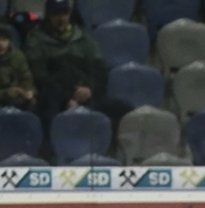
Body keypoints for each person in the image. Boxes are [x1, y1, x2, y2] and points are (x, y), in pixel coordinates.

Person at [24, 0, 129, 135]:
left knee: (123, 108)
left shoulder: (84, 39)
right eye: (56, 14)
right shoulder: (36, 40)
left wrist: (89, 89)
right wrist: (69, 96)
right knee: (48, 107)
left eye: (64, 13)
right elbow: (40, 76)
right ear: (48, 16)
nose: (61, 18)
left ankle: (110, 145)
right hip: (55, 98)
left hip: (86, 95)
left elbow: (100, 71)